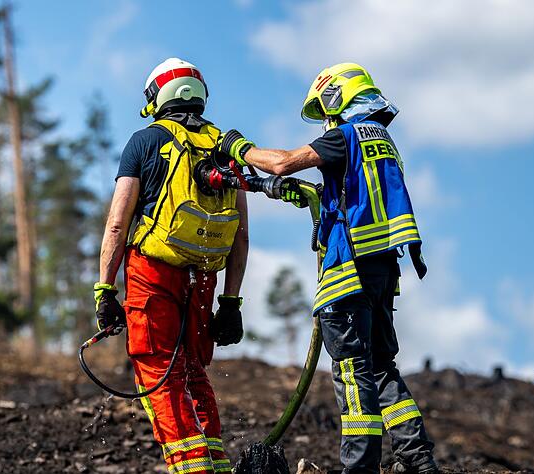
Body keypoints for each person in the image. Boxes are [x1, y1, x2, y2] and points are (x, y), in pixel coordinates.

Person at [218, 63, 437, 474]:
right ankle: (419, 461)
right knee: (381, 368)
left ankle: (359, 468)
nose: (328, 121)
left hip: (348, 273)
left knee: (353, 374)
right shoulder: (383, 141)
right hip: (383, 271)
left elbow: (283, 163)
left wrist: (239, 148)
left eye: (327, 110)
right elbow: (356, 195)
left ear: (338, 98)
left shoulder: (344, 136)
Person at [95, 57, 249, 474]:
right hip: (204, 277)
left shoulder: (144, 142)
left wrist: (104, 291)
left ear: (157, 96)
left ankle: (192, 470)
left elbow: (116, 224)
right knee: (192, 371)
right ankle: (215, 464)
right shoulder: (226, 145)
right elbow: (241, 236)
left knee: (159, 371)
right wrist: (231, 302)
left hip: (152, 274)